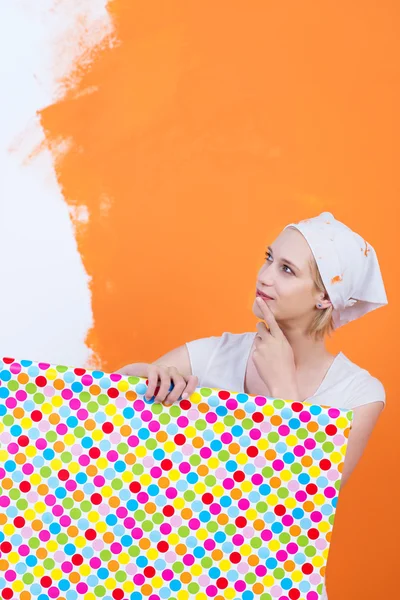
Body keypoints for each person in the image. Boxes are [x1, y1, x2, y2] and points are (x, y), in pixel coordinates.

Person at [118, 211, 388, 599]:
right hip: (186, 582)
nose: (264, 276)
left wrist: (282, 386)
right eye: (268, 258)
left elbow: (304, 503)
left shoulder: (358, 394)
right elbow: (115, 402)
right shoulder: (213, 354)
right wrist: (149, 373)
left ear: (325, 296)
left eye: (287, 270)